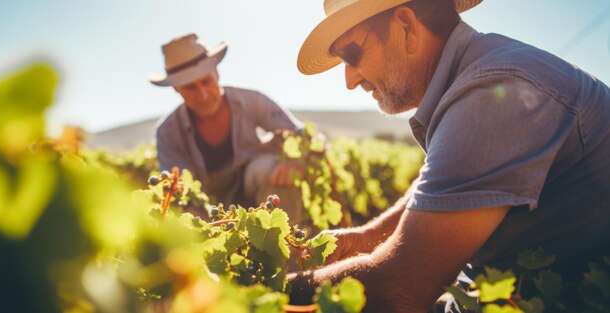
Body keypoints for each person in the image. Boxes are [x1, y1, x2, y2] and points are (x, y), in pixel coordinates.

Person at [288, 0, 610, 312]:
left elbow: (398, 288)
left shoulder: (493, 91)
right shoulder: (474, 74)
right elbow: (442, 185)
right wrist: (366, 237)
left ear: (406, 26)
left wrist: (259, 294)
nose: (349, 80)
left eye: (352, 53)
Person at [149, 33, 305, 222]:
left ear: (217, 73)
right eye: (190, 88)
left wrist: (294, 160)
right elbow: (180, 192)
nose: (204, 95)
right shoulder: (167, 133)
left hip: (256, 188)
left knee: (274, 168)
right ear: (176, 89)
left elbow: (301, 135)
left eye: (206, 81)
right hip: (210, 210)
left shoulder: (251, 100)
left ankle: (285, 245)